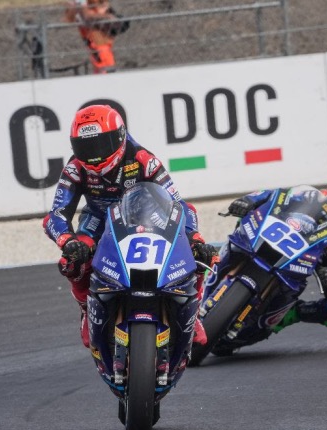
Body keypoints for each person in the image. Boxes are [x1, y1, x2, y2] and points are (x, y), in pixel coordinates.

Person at [43, 104, 217, 348]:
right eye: (85, 147)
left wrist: (195, 238)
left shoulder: (144, 159)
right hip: (99, 219)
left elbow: (179, 205)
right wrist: (68, 241)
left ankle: (193, 312)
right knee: (71, 261)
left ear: (120, 136)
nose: (93, 156)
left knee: (199, 255)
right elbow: (56, 215)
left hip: (144, 215)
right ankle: (86, 309)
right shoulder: (75, 168)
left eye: (100, 145)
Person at [224, 173, 327, 332]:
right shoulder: (319, 198)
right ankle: (221, 260)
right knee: (249, 222)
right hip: (303, 247)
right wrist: (249, 201)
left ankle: (283, 316)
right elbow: (278, 197)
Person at [63, 0, 129, 74]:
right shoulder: (98, 16)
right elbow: (72, 18)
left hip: (102, 58)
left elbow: (87, 17)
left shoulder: (102, 38)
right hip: (100, 57)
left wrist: (80, 3)